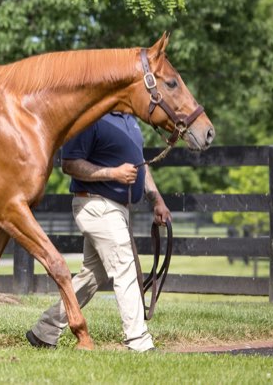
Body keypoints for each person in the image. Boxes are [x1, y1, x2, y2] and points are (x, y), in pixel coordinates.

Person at [26, 112, 171, 352]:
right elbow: (69, 164)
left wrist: (157, 200)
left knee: (92, 275)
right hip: (96, 204)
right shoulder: (90, 117)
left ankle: (45, 330)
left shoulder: (130, 120)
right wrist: (113, 173)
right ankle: (138, 340)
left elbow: (141, 165)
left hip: (118, 209)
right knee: (124, 266)